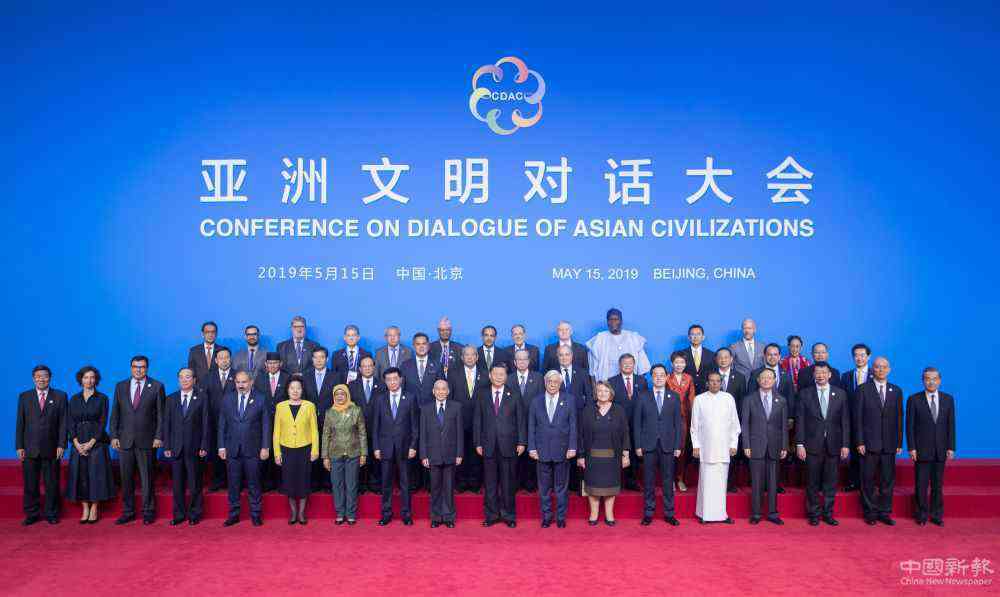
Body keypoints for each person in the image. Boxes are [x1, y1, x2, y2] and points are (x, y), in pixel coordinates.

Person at [110, 355, 165, 525]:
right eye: (135, 366)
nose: (138, 370)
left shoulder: (157, 386)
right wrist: (114, 435)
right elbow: (115, 413)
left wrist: (158, 436)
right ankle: (128, 511)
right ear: (131, 368)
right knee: (126, 479)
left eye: (142, 367)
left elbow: (161, 415)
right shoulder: (120, 386)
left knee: (147, 479)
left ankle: (148, 511)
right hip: (125, 440)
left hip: (147, 440)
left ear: (147, 368)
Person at [795, 362, 850, 526]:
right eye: (817, 372)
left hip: (834, 444)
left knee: (830, 482)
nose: (820, 375)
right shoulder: (805, 394)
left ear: (830, 375)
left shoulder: (840, 394)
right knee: (812, 482)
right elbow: (800, 421)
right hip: (811, 445)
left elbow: (845, 421)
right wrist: (799, 444)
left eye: (824, 372)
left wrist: (845, 444)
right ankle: (813, 514)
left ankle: (828, 513)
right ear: (813, 375)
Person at [475, 362, 526, 528]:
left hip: (509, 445)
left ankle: (508, 515)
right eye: (495, 374)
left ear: (506, 376)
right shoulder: (482, 393)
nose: (498, 377)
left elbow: (520, 420)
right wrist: (478, 442)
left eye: (501, 374)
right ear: (490, 376)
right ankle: (491, 515)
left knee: (508, 483)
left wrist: (522, 442)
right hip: (488, 445)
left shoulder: (515, 394)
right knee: (490, 483)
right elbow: (477, 419)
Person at [16, 365, 67, 525]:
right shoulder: (24, 397)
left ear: (50, 378)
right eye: (38, 376)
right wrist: (19, 446)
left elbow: (63, 423)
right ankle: (32, 514)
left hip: (52, 448)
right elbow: (20, 423)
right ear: (33, 379)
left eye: (44, 376)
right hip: (29, 448)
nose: (41, 379)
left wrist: (62, 444)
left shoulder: (60, 396)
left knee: (52, 484)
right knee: (30, 484)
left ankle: (51, 513)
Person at [218, 371, 271, 527]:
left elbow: (266, 425)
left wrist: (265, 446)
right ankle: (233, 515)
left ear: (251, 382)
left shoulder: (261, 399)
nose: (241, 385)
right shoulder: (227, 399)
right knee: (233, 484)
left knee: (254, 484)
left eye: (244, 382)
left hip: (253, 449)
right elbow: (222, 424)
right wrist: (221, 446)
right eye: (238, 382)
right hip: (232, 449)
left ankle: (256, 515)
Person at [854, 357, 903, 526]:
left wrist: (899, 443)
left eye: (884, 367)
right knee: (867, 480)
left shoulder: (896, 391)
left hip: (889, 444)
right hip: (868, 443)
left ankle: (885, 512)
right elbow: (857, 418)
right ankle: (870, 512)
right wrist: (859, 441)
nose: (880, 370)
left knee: (887, 480)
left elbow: (899, 418)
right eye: (877, 367)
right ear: (872, 369)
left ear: (889, 369)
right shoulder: (862, 389)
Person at [634, 364, 683, 526]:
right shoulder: (642, 396)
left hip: (668, 445)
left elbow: (678, 424)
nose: (659, 377)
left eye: (662, 375)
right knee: (648, 481)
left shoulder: (674, 397)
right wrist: (638, 445)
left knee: (668, 481)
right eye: (656, 375)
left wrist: (678, 446)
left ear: (667, 376)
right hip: (648, 445)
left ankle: (669, 513)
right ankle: (648, 513)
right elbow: (637, 423)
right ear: (651, 377)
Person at [906, 367, 955, 527]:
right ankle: (921, 514)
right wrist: (911, 447)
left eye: (934, 379)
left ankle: (936, 515)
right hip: (921, 450)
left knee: (937, 485)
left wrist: (951, 447)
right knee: (921, 484)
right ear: (923, 381)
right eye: (927, 379)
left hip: (941, 449)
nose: (931, 382)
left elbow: (951, 425)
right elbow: (910, 426)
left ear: (939, 380)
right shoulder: (914, 399)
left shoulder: (948, 399)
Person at [528, 370, 577, 528]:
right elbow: (531, 426)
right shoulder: (536, 401)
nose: (553, 384)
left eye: (556, 382)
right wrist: (532, 448)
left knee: (561, 488)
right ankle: (547, 517)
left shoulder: (569, 400)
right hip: (541, 451)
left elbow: (573, 425)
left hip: (562, 450)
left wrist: (572, 447)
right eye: (550, 381)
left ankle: (561, 517)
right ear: (545, 383)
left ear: (560, 384)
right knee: (544, 488)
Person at [65, 366, 114, 524]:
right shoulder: (74, 399)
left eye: (92, 377)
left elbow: (102, 422)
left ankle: (94, 507)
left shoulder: (103, 398)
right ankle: (85, 507)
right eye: (86, 377)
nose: (89, 380)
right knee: (81, 476)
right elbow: (70, 422)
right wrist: (76, 443)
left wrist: (91, 443)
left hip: (96, 442)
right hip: (78, 441)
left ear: (96, 380)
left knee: (96, 475)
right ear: (81, 380)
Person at [577, 381, 630, 526]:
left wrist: (625, 454)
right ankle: (593, 514)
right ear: (595, 393)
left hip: (613, 457)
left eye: (606, 391)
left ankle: (609, 515)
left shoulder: (619, 410)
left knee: (610, 487)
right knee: (593, 487)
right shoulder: (587, 411)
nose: (602, 393)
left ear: (611, 393)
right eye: (599, 391)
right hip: (592, 456)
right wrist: (580, 456)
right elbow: (580, 435)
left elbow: (625, 433)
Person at [690, 372, 740, 524]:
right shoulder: (699, 399)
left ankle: (721, 515)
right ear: (707, 383)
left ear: (721, 383)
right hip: (706, 447)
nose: (715, 384)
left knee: (721, 483)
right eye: (712, 381)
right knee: (706, 482)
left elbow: (735, 424)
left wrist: (733, 444)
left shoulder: (728, 398)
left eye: (718, 381)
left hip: (724, 448)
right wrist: (696, 445)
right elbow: (694, 426)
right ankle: (704, 514)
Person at [372, 367, 419, 526]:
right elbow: (376, 426)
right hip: (385, 447)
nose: (392, 382)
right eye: (388, 379)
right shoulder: (380, 399)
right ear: (385, 382)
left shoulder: (410, 398)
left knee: (405, 483)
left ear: (400, 380)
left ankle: (406, 514)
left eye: (395, 379)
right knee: (386, 483)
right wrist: (376, 447)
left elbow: (415, 426)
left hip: (405, 448)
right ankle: (386, 513)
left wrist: (413, 446)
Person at [741, 369, 788, 525]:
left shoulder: (781, 400)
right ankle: (756, 513)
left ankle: (773, 513)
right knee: (757, 482)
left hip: (775, 446)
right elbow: (745, 424)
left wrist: (784, 446)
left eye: (769, 377)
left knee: (773, 482)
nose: (766, 380)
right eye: (763, 378)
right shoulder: (749, 399)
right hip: (755, 445)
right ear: (758, 380)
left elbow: (783, 426)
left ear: (774, 380)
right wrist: (746, 444)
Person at [163, 368, 209, 526]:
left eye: (188, 377)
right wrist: (167, 446)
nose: (184, 380)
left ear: (194, 380)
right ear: (178, 380)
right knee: (177, 485)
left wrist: (204, 445)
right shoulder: (171, 399)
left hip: (195, 448)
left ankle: (195, 514)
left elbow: (206, 423)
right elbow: (167, 424)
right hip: (175, 448)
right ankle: (179, 514)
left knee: (195, 484)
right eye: (181, 377)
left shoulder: (202, 398)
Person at [748, 343, 796, 493]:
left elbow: (790, 397)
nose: (772, 357)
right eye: (769, 354)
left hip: (778, 421)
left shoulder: (785, 374)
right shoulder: (756, 373)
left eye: (775, 354)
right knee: (761, 455)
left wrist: (790, 417)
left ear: (780, 356)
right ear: (764, 356)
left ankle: (776, 484)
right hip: (759, 423)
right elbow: (750, 396)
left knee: (776, 453)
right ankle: (760, 484)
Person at [273, 376, 319, 524]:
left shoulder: (309, 406)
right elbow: (276, 431)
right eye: (292, 388)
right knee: (289, 482)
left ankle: (301, 513)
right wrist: (277, 453)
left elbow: (314, 430)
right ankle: (293, 513)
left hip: (305, 449)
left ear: (302, 390)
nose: (295, 391)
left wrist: (315, 450)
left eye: (298, 388)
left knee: (304, 481)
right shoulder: (280, 406)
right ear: (287, 390)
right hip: (286, 449)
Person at [420, 380, 463, 527]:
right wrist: (423, 455)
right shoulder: (425, 409)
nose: (441, 391)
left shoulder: (456, 407)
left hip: (451, 454)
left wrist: (459, 453)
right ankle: (436, 517)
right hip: (432, 455)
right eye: (438, 389)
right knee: (435, 487)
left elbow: (459, 432)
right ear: (433, 391)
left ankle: (449, 517)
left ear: (448, 391)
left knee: (449, 488)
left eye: (444, 389)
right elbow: (423, 434)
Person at [322, 384, 366, 525]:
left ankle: (351, 514)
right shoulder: (329, 412)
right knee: (337, 485)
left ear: (347, 395)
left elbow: (362, 433)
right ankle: (340, 513)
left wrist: (364, 453)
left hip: (353, 453)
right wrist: (325, 457)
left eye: (342, 394)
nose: (340, 396)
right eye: (337, 394)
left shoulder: (356, 410)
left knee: (352, 485)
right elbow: (326, 435)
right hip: (335, 454)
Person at [447, 345, 486, 493]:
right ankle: (461, 482)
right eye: (466, 355)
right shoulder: (453, 374)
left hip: (479, 421)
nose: (469, 357)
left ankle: (475, 482)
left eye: (472, 355)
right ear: (462, 357)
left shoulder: (485, 373)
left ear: (477, 357)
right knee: (460, 452)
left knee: (476, 453)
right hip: (459, 420)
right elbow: (449, 398)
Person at [607, 353, 647, 490]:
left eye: (630, 363)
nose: (627, 365)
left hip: (637, 424)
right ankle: (615, 480)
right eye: (624, 363)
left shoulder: (641, 381)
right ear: (619, 365)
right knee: (617, 451)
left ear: (634, 364)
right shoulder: (611, 381)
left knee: (634, 453)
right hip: (618, 424)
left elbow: (645, 402)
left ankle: (631, 481)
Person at [507, 348, 544, 492]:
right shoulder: (508, 378)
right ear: (515, 362)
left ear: (529, 361)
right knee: (514, 456)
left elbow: (542, 400)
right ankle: (516, 483)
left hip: (533, 423)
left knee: (531, 455)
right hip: (513, 424)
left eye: (524, 359)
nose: (522, 362)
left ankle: (530, 484)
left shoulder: (539, 378)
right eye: (519, 359)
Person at [254, 352, 289, 491]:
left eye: (275, 363)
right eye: (270, 363)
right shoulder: (260, 378)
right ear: (265, 364)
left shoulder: (287, 378)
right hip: (264, 421)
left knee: (281, 451)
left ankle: (281, 483)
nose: (272, 365)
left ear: (280, 364)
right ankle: (267, 482)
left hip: (283, 421)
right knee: (266, 449)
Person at [714, 348, 747, 492]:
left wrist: (738, 421)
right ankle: (716, 483)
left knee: (731, 453)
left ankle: (730, 484)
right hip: (714, 423)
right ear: (716, 359)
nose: (723, 360)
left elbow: (742, 401)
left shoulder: (739, 377)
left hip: (732, 423)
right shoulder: (710, 376)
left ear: (731, 359)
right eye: (720, 357)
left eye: (726, 357)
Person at [348, 356, 384, 494]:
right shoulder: (352, 385)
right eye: (364, 366)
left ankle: (375, 484)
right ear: (359, 369)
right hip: (357, 429)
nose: (367, 368)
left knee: (376, 458)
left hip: (377, 428)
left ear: (374, 367)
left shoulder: (382, 385)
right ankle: (360, 485)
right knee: (359, 458)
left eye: (370, 366)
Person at [304, 347, 336, 492]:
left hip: (330, 421)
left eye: (322, 357)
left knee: (328, 451)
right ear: (312, 359)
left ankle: (327, 483)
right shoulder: (305, 376)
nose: (318, 360)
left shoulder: (335, 376)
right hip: (309, 421)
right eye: (316, 357)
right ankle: (313, 483)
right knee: (312, 451)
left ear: (327, 359)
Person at [840, 343, 872, 492]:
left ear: (868, 357)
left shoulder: (875, 374)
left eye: (862, 355)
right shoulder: (846, 376)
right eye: (856, 355)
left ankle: (868, 483)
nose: (859, 358)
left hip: (870, 421)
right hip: (852, 420)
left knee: (870, 454)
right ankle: (854, 482)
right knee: (854, 452)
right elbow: (842, 399)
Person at [587, 308, 651, 382]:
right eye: (610, 320)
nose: (613, 322)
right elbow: (592, 371)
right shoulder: (599, 339)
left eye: (616, 319)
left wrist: (637, 384)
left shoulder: (633, 338)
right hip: (606, 384)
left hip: (629, 384)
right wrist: (596, 387)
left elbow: (643, 368)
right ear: (607, 322)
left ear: (621, 321)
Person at [203, 347, 236, 491]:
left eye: (227, 357)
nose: (224, 360)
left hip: (234, 422)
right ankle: (217, 481)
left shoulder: (237, 376)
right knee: (216, 452)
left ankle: (233, 482)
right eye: (221, 358)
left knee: (233, 453)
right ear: (216, 360)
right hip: (213, 422)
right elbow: (204, 401)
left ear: (230, 359)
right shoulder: (208, 377)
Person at [666, 352, 696, 492]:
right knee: (668, 448)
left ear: (685, 364)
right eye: (676, 362)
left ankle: (680, 478)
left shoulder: (689, 378)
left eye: (682, 362)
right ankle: (669, 479)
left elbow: (692, 399)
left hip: (684, 418)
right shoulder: (666, 378)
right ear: (672, 363)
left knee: (681, 449)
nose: (679, 365)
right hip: (668, 418)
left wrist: (694, 417)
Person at [682, 324, 715, 394]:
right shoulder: (682, 354)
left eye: (698, 334)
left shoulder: (711, 355)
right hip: (687, 392)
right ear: (689, 337)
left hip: (706, 392)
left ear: (703, 337)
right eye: (693, 334)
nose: (695, 337)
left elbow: (714, 374)